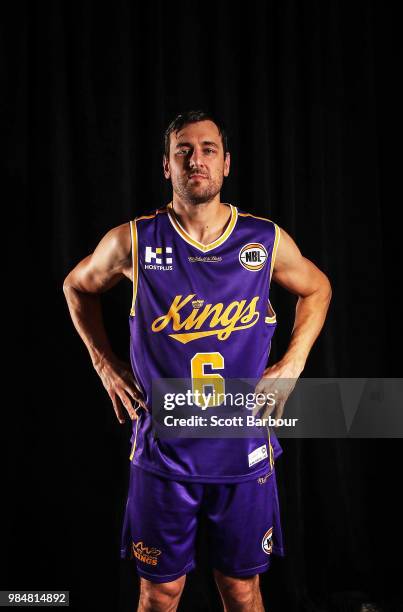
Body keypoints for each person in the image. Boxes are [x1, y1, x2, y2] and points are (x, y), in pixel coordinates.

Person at [63, 110, 332, 612]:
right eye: (183, 150)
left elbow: (318, 288)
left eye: (208, 149)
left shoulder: (263, 240)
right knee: (160, 593)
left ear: (226, 164)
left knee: (242, 590)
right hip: (165, 454)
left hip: (242, 448)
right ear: (167, 166)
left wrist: (292, 365)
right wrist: (103, 361)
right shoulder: (135, 240)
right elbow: (76, 285)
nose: (196, 159)